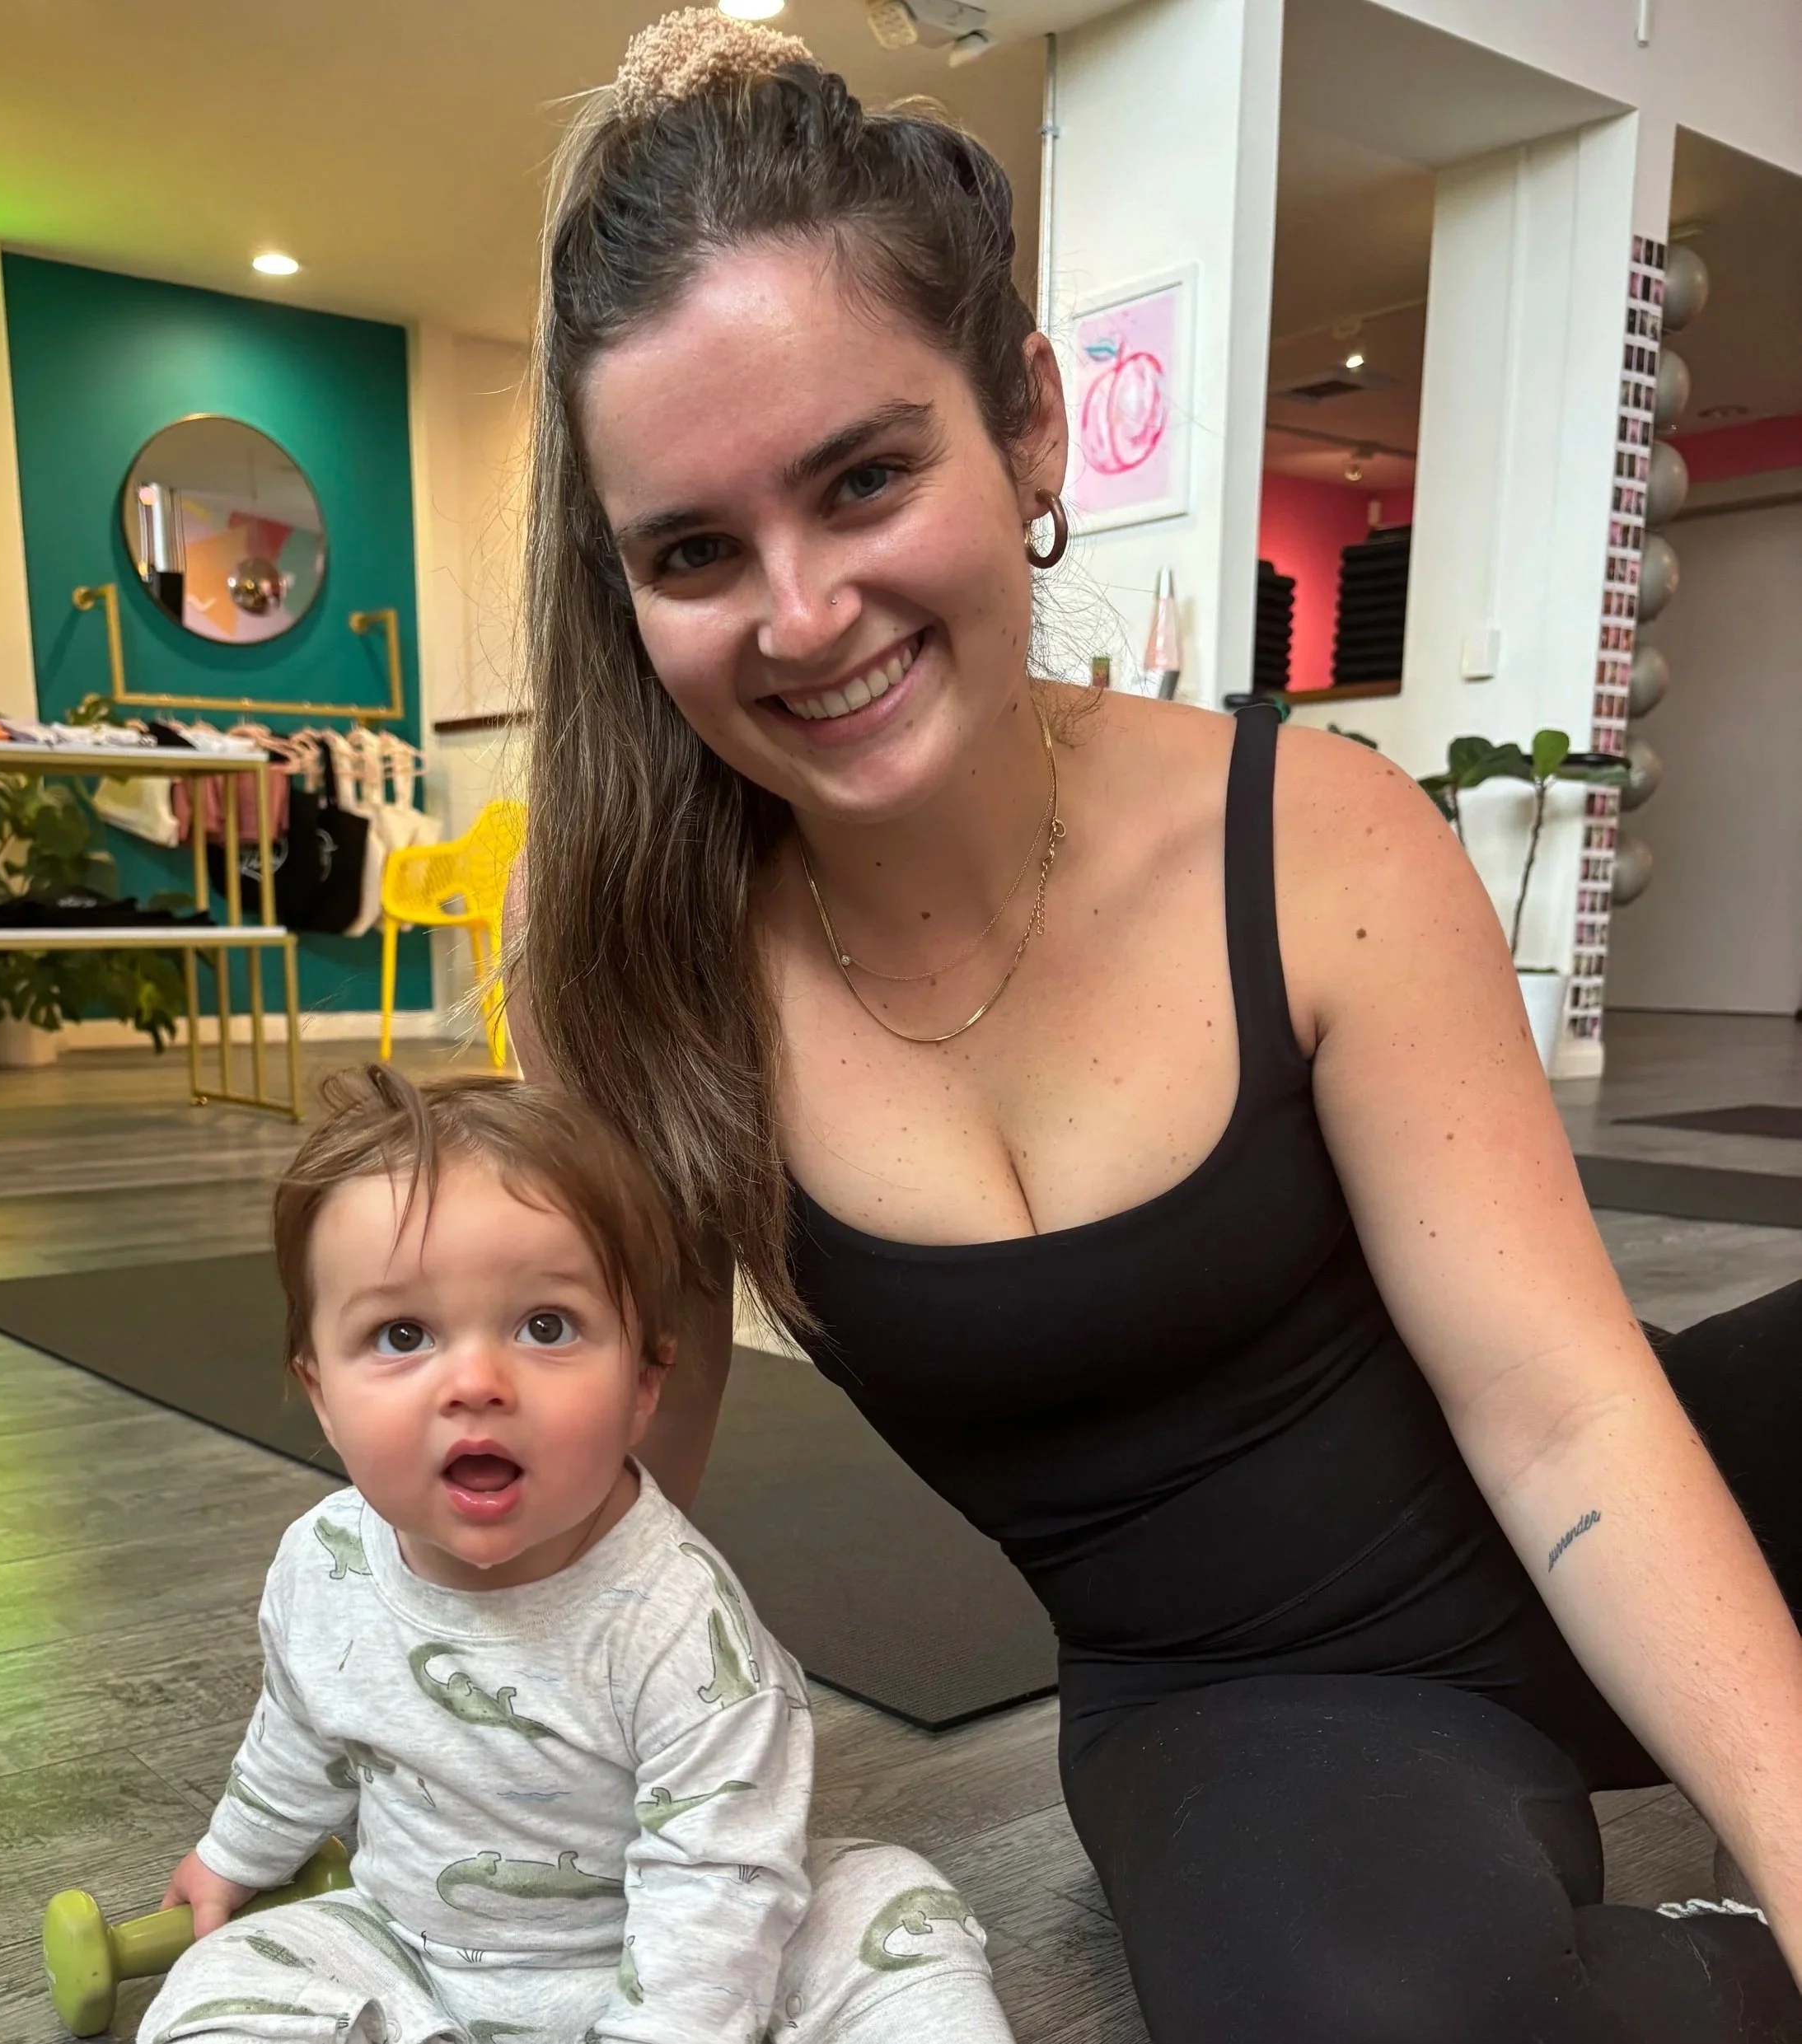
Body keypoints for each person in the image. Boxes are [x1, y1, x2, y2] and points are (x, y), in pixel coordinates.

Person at [507, 12, 1802, 2040]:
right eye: (693, 550)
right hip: (1255, 1709)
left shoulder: (1320, 835)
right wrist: (473, 1806)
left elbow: (1562, 1410)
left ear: (1027, 421)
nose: (797, 612)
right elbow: (612, 1510)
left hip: (1602, 1504)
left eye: (863, 477)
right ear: (624, 585)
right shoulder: (652, 992)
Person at [143, 1066, 1014, 2044]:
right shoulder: (323, 1561)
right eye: (401, 1334)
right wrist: (234, 1855)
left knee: (892, 1911)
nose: (475, 1381)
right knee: (215, 1985)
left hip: (675, 1964)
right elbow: (300, 1728)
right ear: (319, 1393)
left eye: (545, 1326)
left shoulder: (681, 1625)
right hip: (416, 1951)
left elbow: (717, 1881)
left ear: (645, 1383)